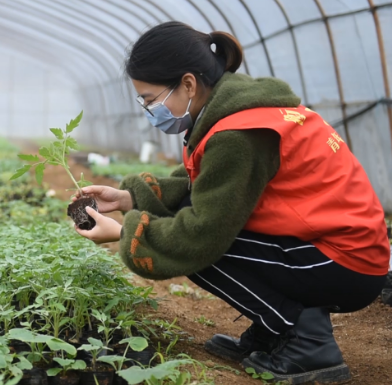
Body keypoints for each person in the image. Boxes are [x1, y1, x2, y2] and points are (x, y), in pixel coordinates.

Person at [74, 21, 390, 385]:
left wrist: (125, 233)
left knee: (195, 244)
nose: (149, 110)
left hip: (345, 262)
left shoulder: (239, 133)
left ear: (188, 84)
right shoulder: (236, 109)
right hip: (335, 249)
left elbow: (200, 234)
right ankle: (275, 332)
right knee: (194, 222)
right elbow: (203, 182)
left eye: (150, 99)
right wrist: (129, 198)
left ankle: (307, 341)